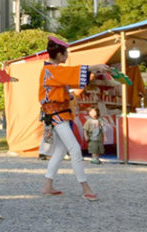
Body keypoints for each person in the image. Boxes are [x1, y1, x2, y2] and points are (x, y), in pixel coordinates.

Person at [38, 37, 112, 201]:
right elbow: (70, 73)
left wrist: (94, 70)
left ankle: (47, 186)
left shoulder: (52, 70)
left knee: (61, 150)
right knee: (75, 149)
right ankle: (85, 187)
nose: (67, 56)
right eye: (65, 53)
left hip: (56, 114)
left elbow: (69, 75)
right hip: (56, 114)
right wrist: (94, 67)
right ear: (59, 55)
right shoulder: (52, 70)